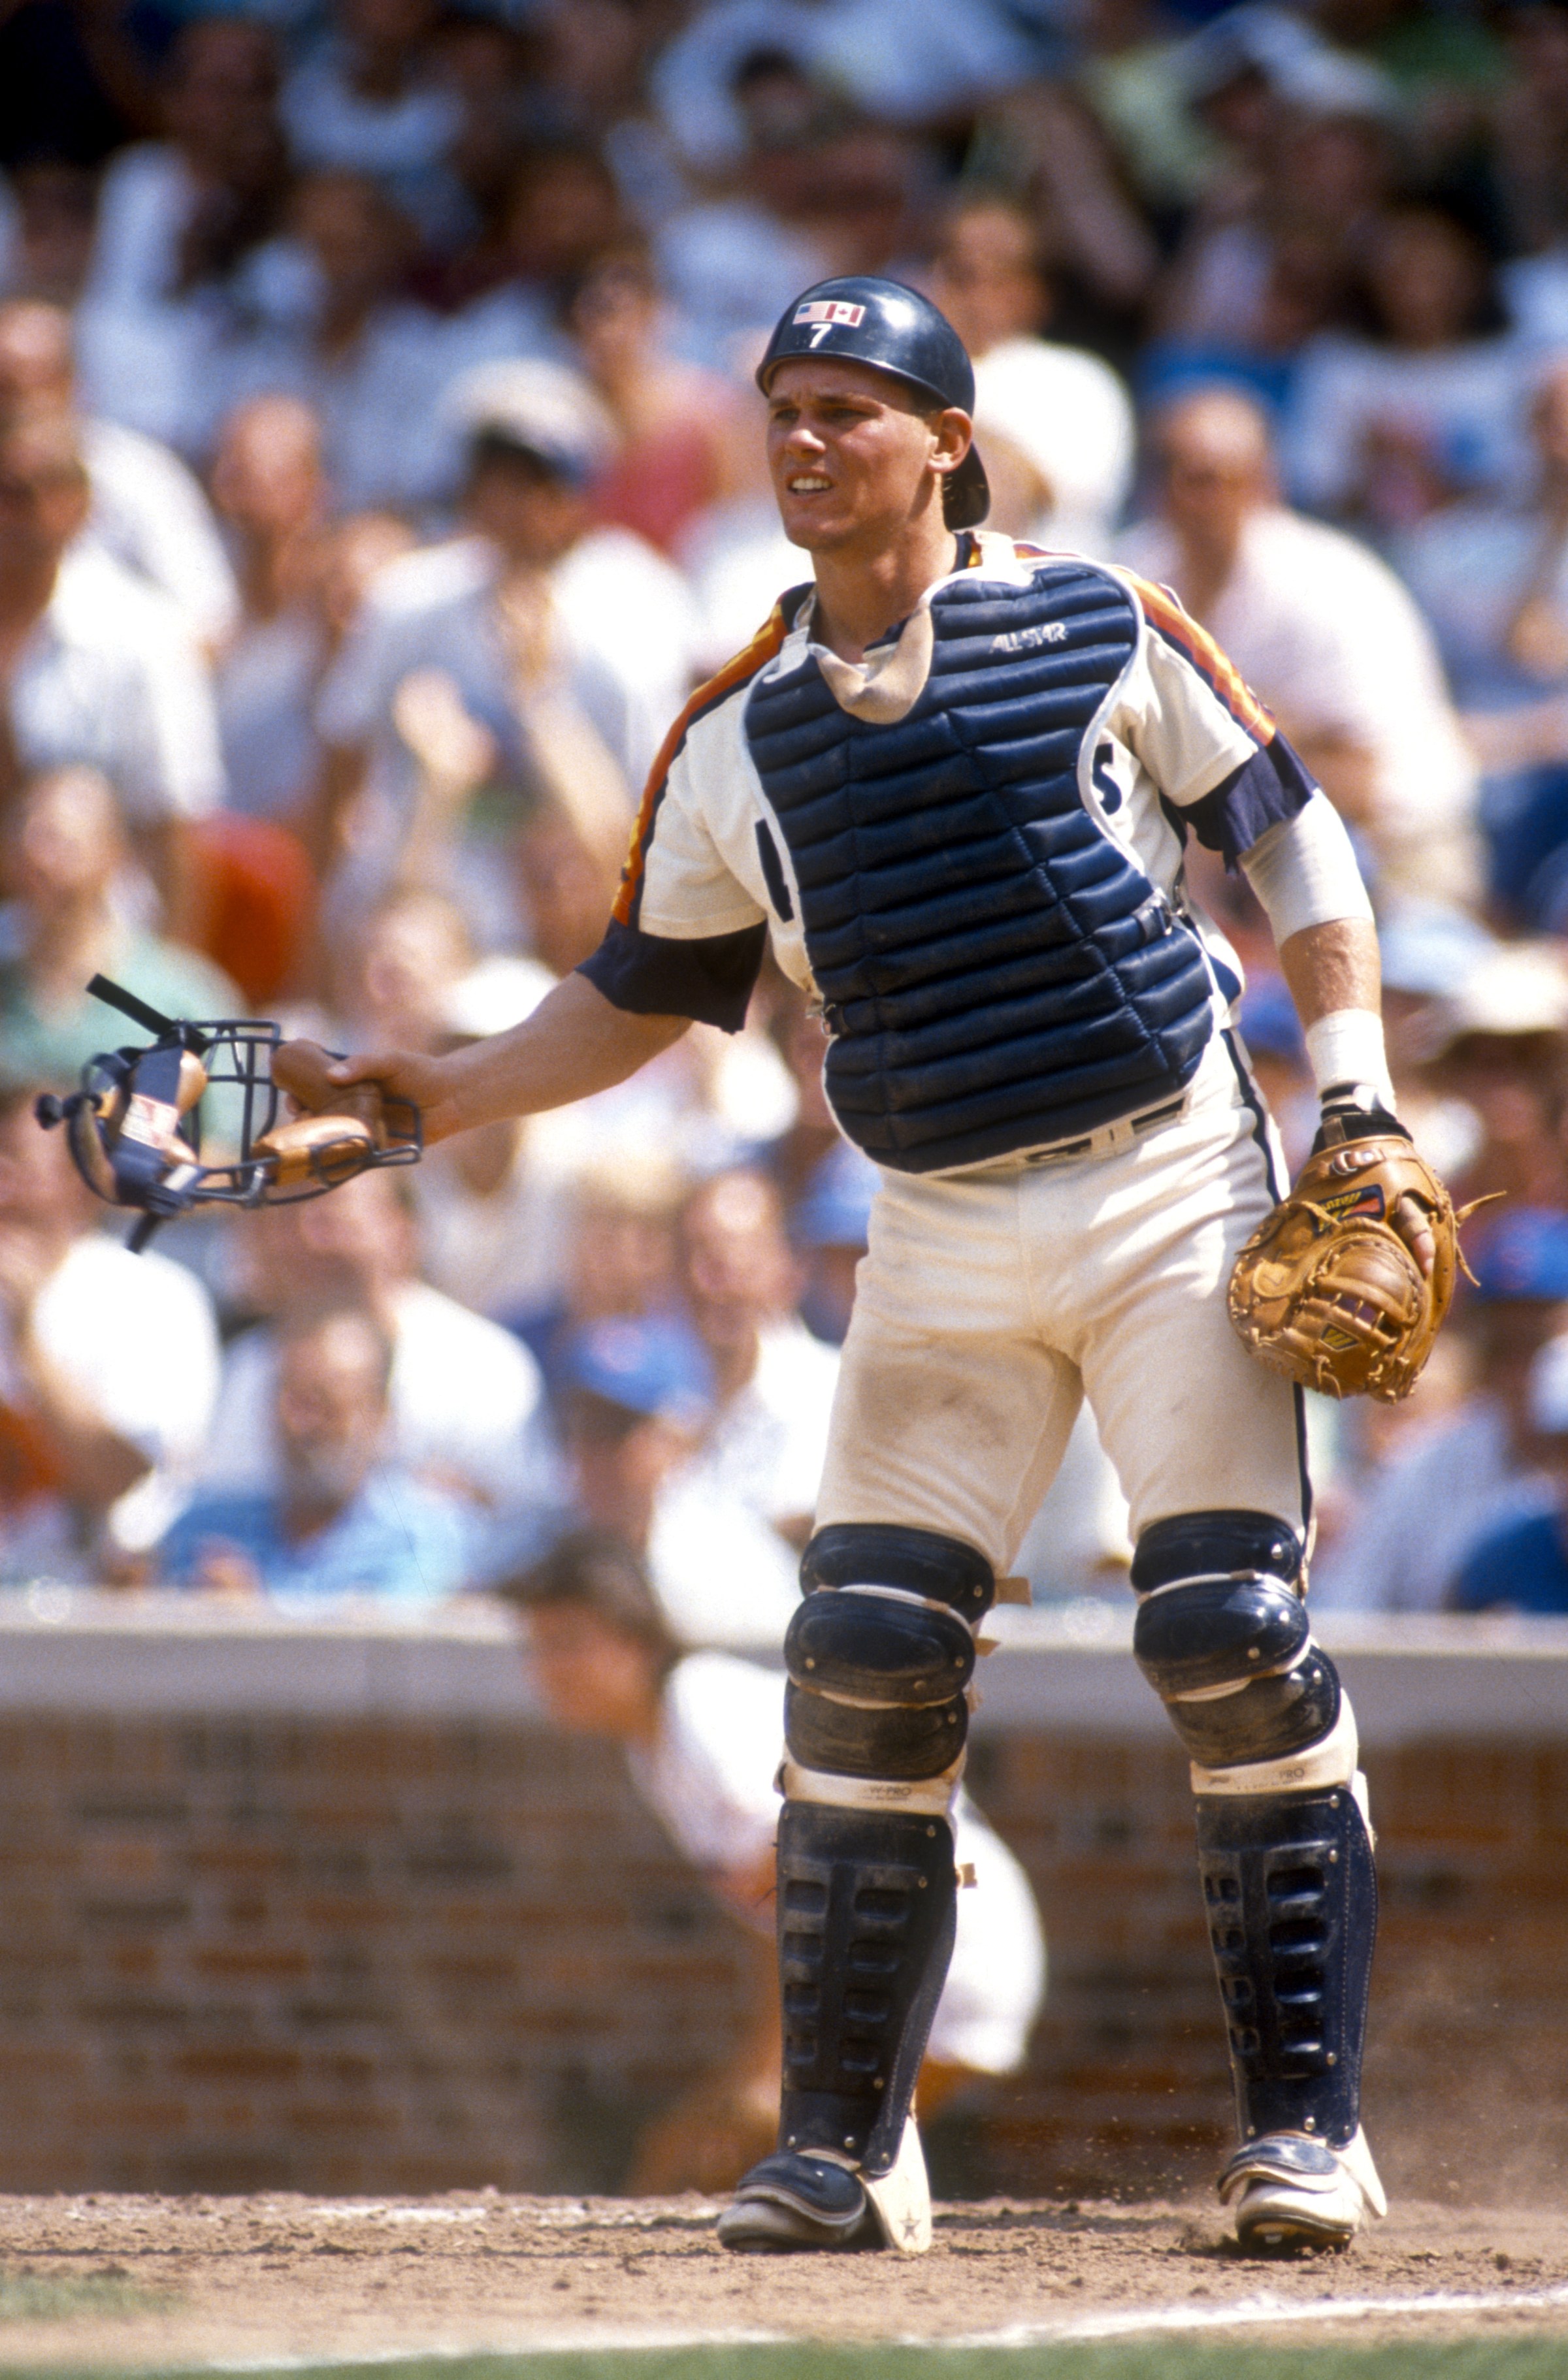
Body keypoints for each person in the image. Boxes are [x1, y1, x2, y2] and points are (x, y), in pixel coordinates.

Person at [324, 274, 1441, 2257]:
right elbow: (638, 995)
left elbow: (1297, 843)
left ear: (946, 437)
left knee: (1220, 1629)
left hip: (1168, 1164)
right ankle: (844, 2145)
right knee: (853, 1661)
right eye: (781, 407)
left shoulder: (1091, 614)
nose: (806, 438)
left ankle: (1301, 2127)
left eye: (851, 404)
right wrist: (432, 1098)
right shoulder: (736, 720)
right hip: (923, 1205)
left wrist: (1349, 1096)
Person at [508, 1529, 1044, 2193]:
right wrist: (758, 2069)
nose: (546, 1668)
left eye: (569, 1642)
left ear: (639, 1640)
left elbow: (803, 1875)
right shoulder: (657, 1739)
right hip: (901, 1952)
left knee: (784, 2169)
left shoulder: (700, 1706)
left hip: (943, 1944)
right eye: (537, 1647)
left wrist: (768, 2074)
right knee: (702, 2153)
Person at [1119, 385, 1478, 903]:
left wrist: (1214, 734)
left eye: (1212, 479)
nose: (1189, 496)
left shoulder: (1331, 583)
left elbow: (1363, 778)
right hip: (1219, 845)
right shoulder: (1134, 576)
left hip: (1398, 846)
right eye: (1168, 470)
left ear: (1265, 482)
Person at [0, 410, 225, 916]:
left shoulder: (144, 636)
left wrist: (160, 990)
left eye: (27, 494)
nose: (9, 517)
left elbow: (176, 834)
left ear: (79, 505)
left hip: (98, 962)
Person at [0, 1082, 220, 1579]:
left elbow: (122, 1479)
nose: (3, 1186)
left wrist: (28, 1343)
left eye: (16, 1164)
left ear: (85, 1177)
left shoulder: (153, 1297)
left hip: (91, 1609)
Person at [157, 1298, 470, 1603]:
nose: (300, 1426)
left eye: (323, 1406)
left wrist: (254, 1619)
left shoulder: (419, 1539)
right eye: (290, 1401)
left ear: (380, 1415)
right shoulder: (206, 1528)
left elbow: (392, 1647)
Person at [0, 298, 240, 654]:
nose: (12, 407)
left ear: (70, 385)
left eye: (24, 388)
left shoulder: (138, 477)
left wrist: (111, 661)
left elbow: (209, 624)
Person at [0, 764, 239, 1093]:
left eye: (60, 843)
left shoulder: (180, 997)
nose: (40, 860)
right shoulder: (7, 985)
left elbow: (228, 1140)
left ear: (113, 853)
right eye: (27, 840)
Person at [675, 1166, 840, 1549]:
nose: (709, 1285)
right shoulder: (663, 1395)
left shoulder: (833, 1395)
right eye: (693, 1257)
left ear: (793, 1268)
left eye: (733, 1266)